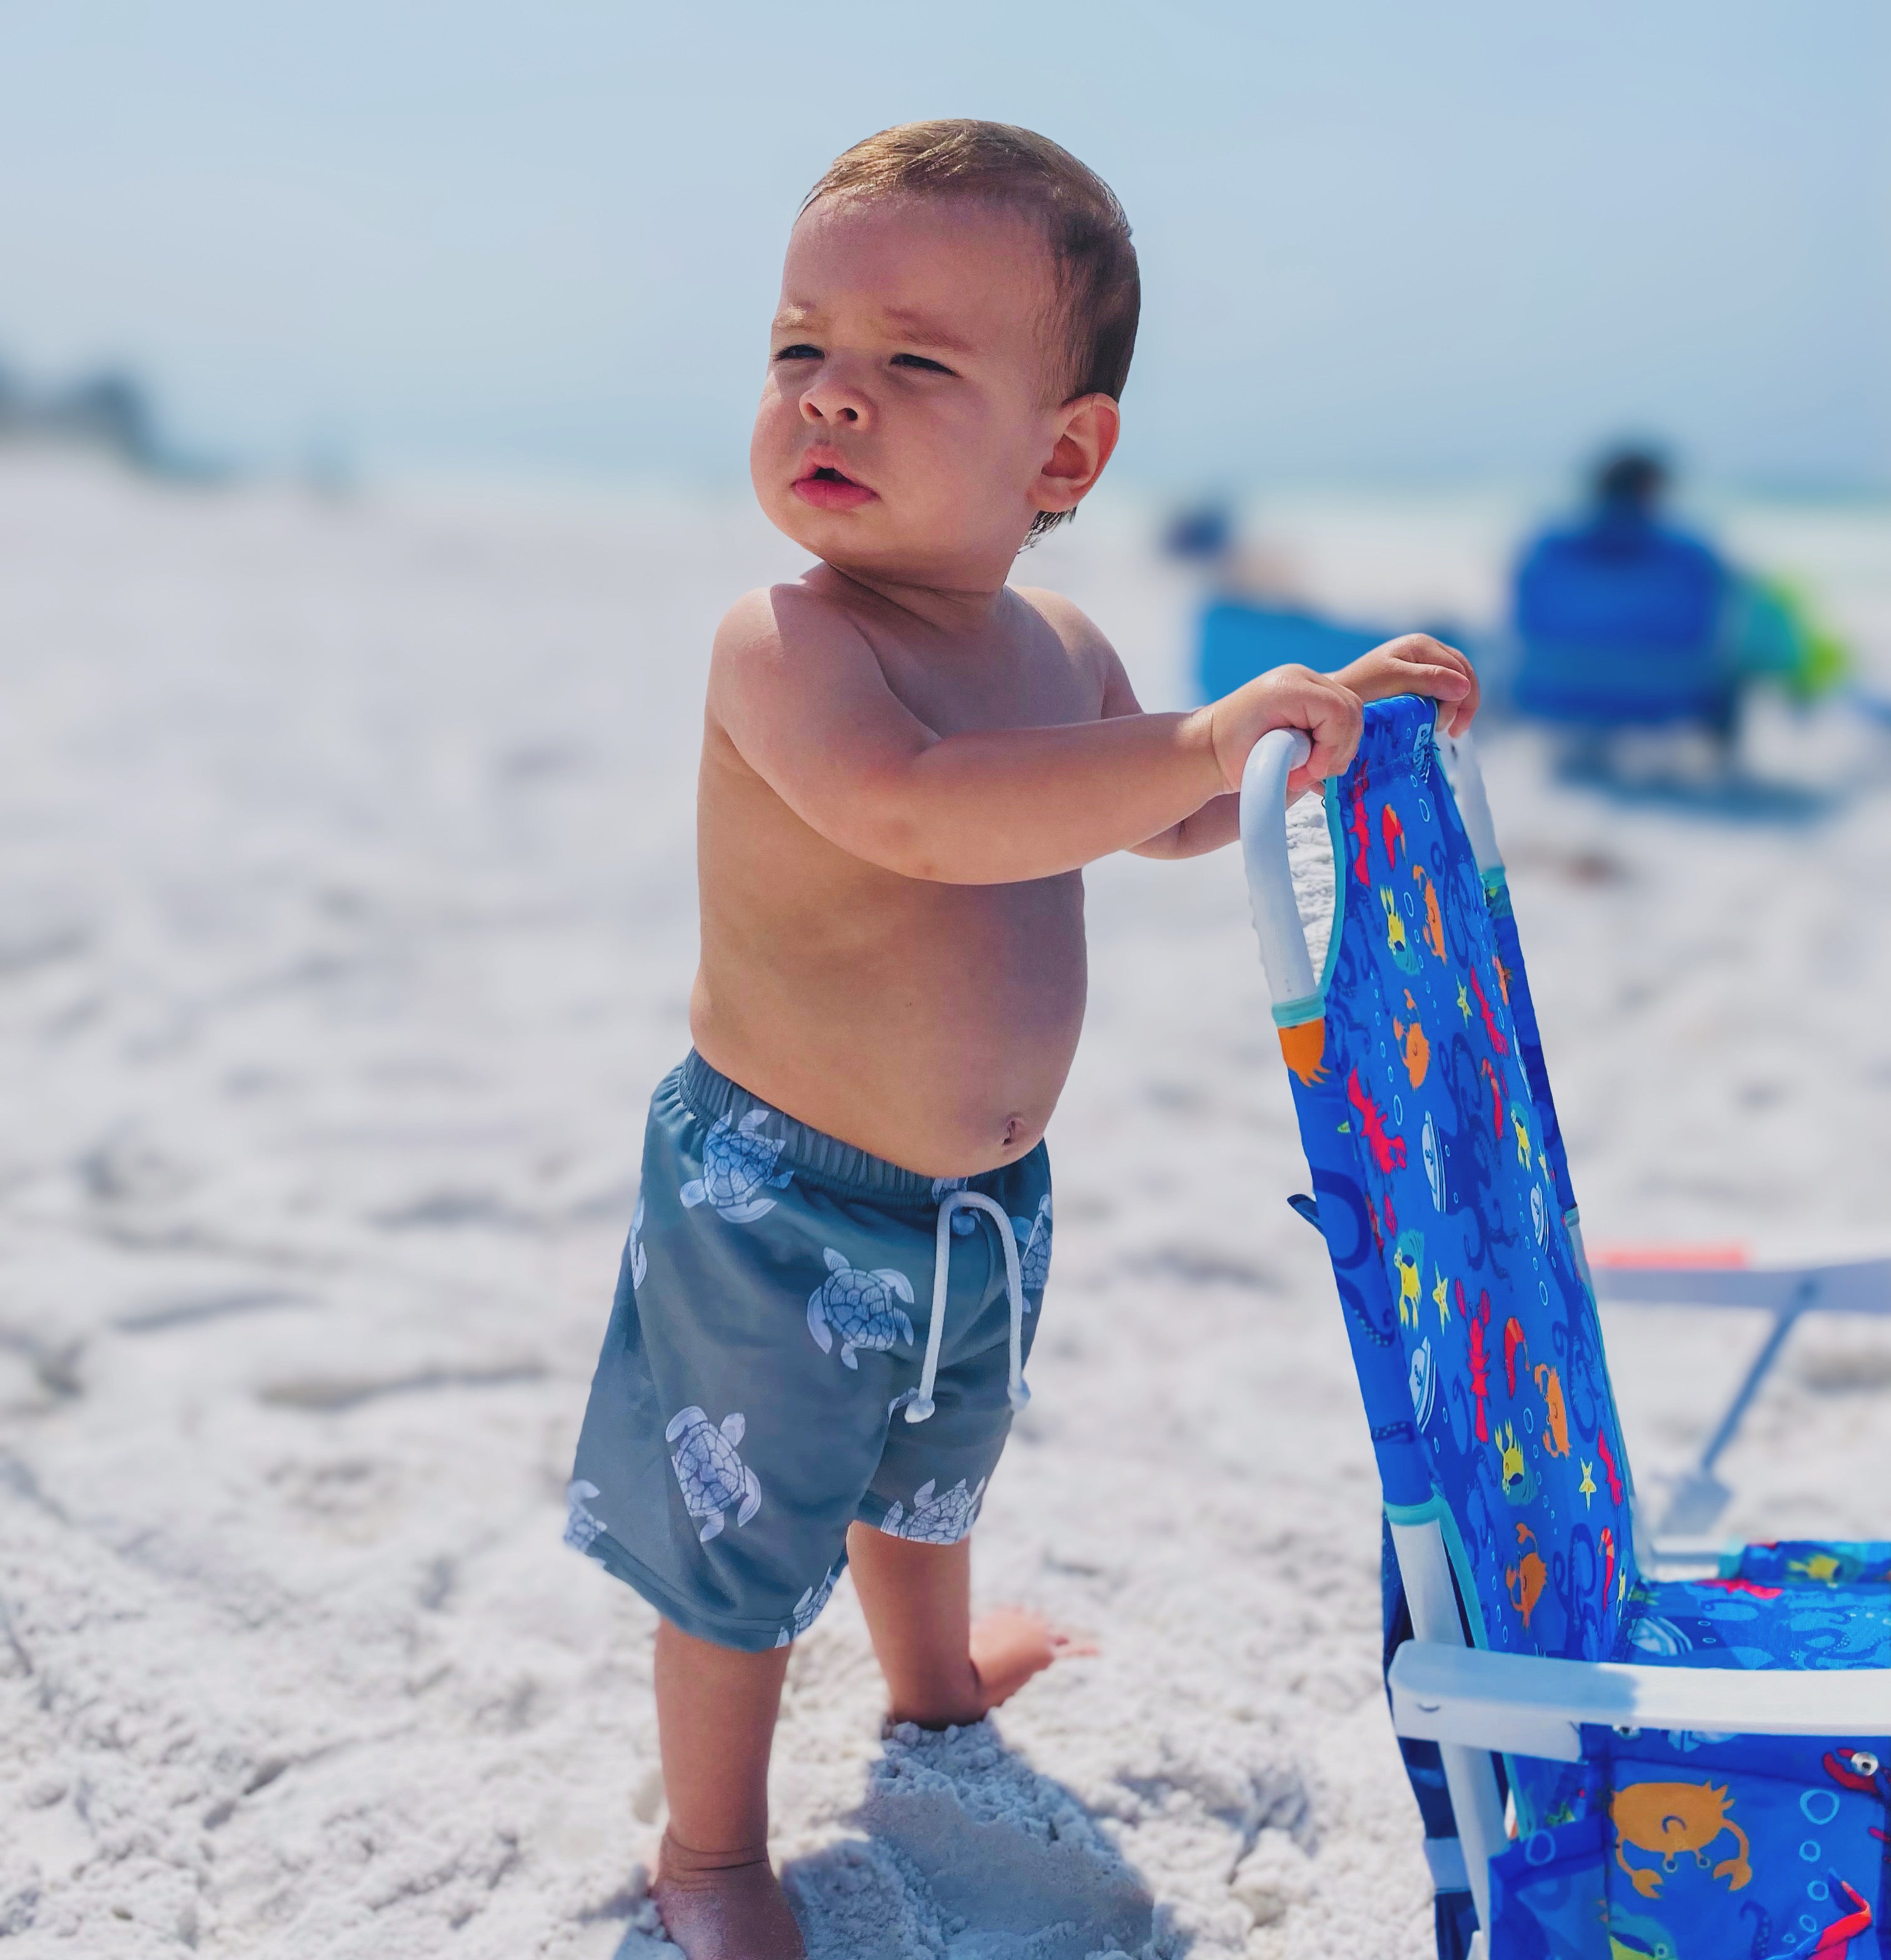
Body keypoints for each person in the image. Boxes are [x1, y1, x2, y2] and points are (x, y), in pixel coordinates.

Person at [563, 119, 1479, 1960]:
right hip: (778, 1192)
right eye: (798, 347)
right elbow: (923, 815)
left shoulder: (1059, 641)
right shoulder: (790, 647)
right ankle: (719, 1848)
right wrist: (1200, 740)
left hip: (985, 1196)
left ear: (1063, 451)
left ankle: (929, 1680)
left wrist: (1305, 746)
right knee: (743, 1545)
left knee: (931, 1453)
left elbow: (1152, 815)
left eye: (910, 362)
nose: (830, 396)